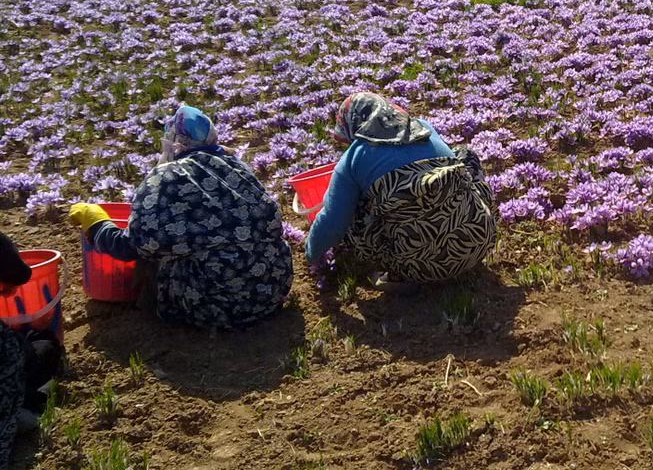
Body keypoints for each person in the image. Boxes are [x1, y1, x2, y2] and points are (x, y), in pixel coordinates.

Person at [68, 105, 293, 329]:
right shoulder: (238, 167)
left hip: (217, 305)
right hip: (272, 289)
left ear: (174, 140)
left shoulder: (167, 176)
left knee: (153, 260)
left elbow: (132, 246)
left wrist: (97, 224)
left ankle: (156, 318)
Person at [304, 92, 496, 284]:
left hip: (419, 267)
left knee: (353, 211)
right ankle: (472, 227)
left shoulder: (355, 157)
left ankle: (398, 275)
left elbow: (332, 223)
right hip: (478, 242)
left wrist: (311, 255)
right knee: (464, 157)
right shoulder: (425, 128)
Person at [1, 232, 64, 464]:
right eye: (5, 288)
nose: (9, 293)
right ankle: (22, 415)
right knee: (46, 348)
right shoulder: (7, 345)